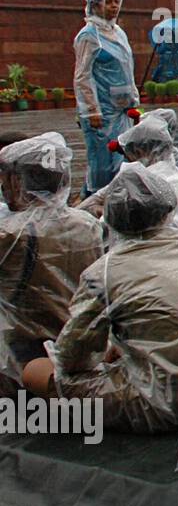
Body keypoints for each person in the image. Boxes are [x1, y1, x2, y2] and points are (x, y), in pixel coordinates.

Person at [21, 164, 178, 433]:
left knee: (35, 371)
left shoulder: (104, 271)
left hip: (166, 399)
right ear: (166, 210)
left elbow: (72, 356)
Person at [0, 134, 103, 397]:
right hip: (78, 345)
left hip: (21, 356)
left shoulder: (10, 234)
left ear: (16, 181)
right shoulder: (87, 224)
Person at [78, 118, 178, 241]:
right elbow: (103, 194)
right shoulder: (176, 173)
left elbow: (107, 224)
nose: (128, 160)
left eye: (128, 155)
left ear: (139, 151)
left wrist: (99, 211)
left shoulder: (141, 181)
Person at [73, 0, 138, 196]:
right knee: (101, 161)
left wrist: (133, 99)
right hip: (101, 112)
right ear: (95, 4)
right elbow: (83, 75)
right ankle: (92, 200)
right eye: (108, 2)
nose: (113, 6)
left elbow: (127, 68)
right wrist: (91, 110)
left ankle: (112, 199)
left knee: (121, 157)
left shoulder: (118, 32)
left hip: (121, 109)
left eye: (116, 1)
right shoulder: (88, 36)